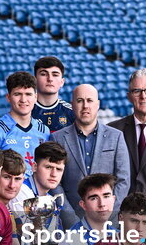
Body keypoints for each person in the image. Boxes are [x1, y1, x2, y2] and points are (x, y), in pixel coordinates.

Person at [50, 84, 129, 228]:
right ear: (72, 105)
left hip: (108, 223)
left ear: (97, 104)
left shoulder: (116, 136)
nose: (85, 105)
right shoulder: (57, 138)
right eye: (80, 101)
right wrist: (71, 219)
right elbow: (55, 183)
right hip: (71, 222)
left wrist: (107, 215)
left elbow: (123, 180)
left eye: (89, 100)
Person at [8, 141, 67, 245]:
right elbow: (33, 240)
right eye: (48, 167)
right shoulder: (21, 190)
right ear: (34, 167)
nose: (54, 174)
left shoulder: (51, 200)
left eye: (59, 169)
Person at [0, 71, 49, 176]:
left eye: (28, 94)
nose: (23, 100)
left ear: (36, 97)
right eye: (17, 94)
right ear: (8, 97)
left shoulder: (44, 131)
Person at [57, 173, 118, 245]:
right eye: (94, 198)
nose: (102, 204)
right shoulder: (72, 239)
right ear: (83, 205)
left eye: (106, 196)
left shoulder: (119, 235)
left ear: (113, 199)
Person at [31, 56, 74, 131]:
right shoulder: (25, 110)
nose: (50, 79)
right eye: (44, 74)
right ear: (35, 80)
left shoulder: (72, 112)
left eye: (55, 75)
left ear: (62, 82)